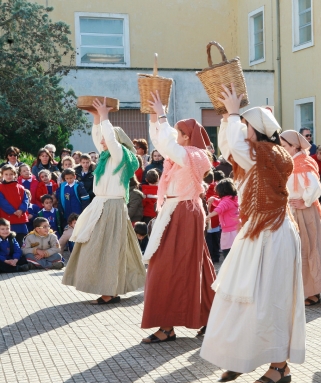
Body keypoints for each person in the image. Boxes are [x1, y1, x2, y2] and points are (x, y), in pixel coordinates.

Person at [200, 86, 305, 383]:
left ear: (255, 129)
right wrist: (227, 117)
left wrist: (233, 114)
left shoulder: (270, 156)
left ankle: (279, 366)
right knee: (244, 299)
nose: (242, 131)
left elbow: (236, 146)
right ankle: (242, 356)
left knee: (271, 300)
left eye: (246, 126)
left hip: (272, 234)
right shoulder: (257, 156)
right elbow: (229, 146)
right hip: (259, 233)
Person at [140, 91, 216, 344]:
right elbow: (162, 140)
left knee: (168, 266)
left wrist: (161, 113)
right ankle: (210, 317)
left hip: (184, 212)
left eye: (178, 132)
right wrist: (155, 116)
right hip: (179, 211)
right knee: (197, 263)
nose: (175, 134)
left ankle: (168, 325)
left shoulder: (193, 155)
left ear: (186, 136)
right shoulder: (184, 155)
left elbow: (165, 144)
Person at [62, 98, 146, 305]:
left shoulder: (120, 157)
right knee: (99, 248)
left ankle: (110, 291)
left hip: (112, 207)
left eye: (106, 139)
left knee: (108, 250)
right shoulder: (107, 158)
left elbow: (109, 137)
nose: (100, 142)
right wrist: (96, 117)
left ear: (115, 141)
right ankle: (110, 289)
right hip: (102, 205)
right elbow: (99, 135)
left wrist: (106, 117)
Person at [280, 130, 321, 306]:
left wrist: (305, 202)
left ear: (294, 146)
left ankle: (313, 293)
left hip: (304, 213)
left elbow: (315, 187)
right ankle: (306, 290)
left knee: (309, 251)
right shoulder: (295, 162)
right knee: (303, 251)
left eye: (285, 146)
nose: (283, 149)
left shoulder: (302, 163)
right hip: (296, 211)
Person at [206, 178, 239, 260]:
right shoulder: (232, 199)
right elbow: (222, 204)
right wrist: (214, 200)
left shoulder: (226, 201)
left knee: (227, 252)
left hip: (229, 231)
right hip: (235, 228)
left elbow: (219, 209)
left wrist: (207, 216)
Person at [0, 165, 29, 245]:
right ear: (2, 175)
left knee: (20, 239)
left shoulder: (21, 187)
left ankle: (20, 256)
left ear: (15, 175)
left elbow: (25, 200)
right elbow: (2, 202)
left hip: (20, 218)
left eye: (11, 174)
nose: (9, 176)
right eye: (6, 174)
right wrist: (13, 211)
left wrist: (21, 210)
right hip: (7, 218)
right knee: (7, 240)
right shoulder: (0, 187)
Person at [203, 170, 222, 263]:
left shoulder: (204, 189)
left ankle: (210, 257)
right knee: (216, 238)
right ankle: (216, 256)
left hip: (208, 217)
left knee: (208, 239)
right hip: (216, 217)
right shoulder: (218, 188)